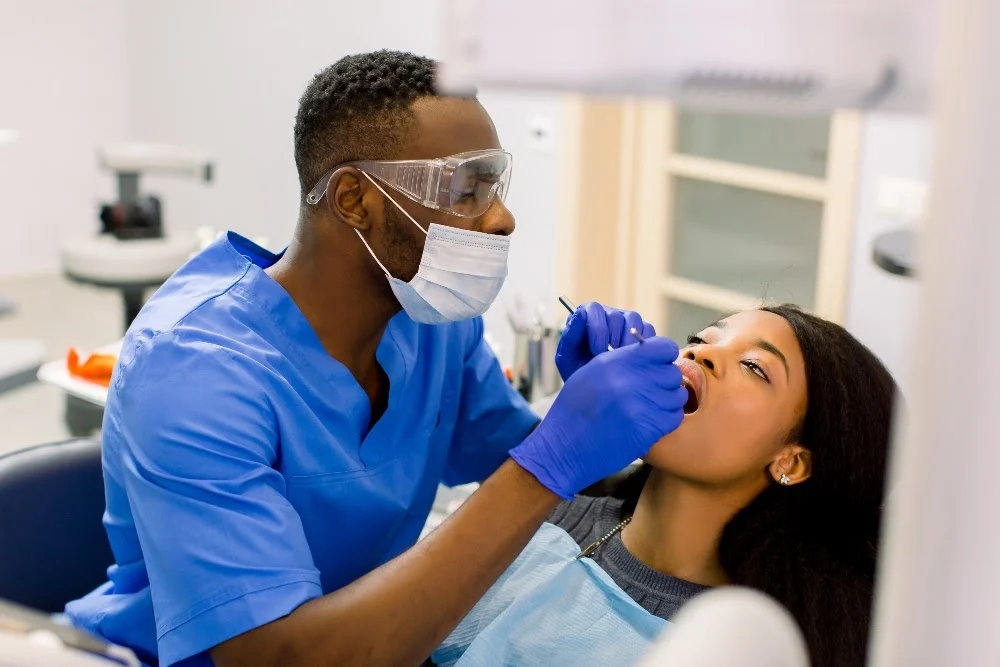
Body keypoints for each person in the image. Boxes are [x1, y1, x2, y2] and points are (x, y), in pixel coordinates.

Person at [64, 50, 688, 667]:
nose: (502, 218)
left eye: (495, 185)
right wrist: (556, 453)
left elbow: (536, 474)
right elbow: (277, 659)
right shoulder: (194, 375)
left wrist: (601, 424)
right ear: (354, 200)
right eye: (466, 187)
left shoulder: (431, 326)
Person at [431, 304, 897, 667]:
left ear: (792, 461)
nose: (700, 354)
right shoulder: (544, 512)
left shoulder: (726, 645)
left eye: (754, 367)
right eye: (702, 339)